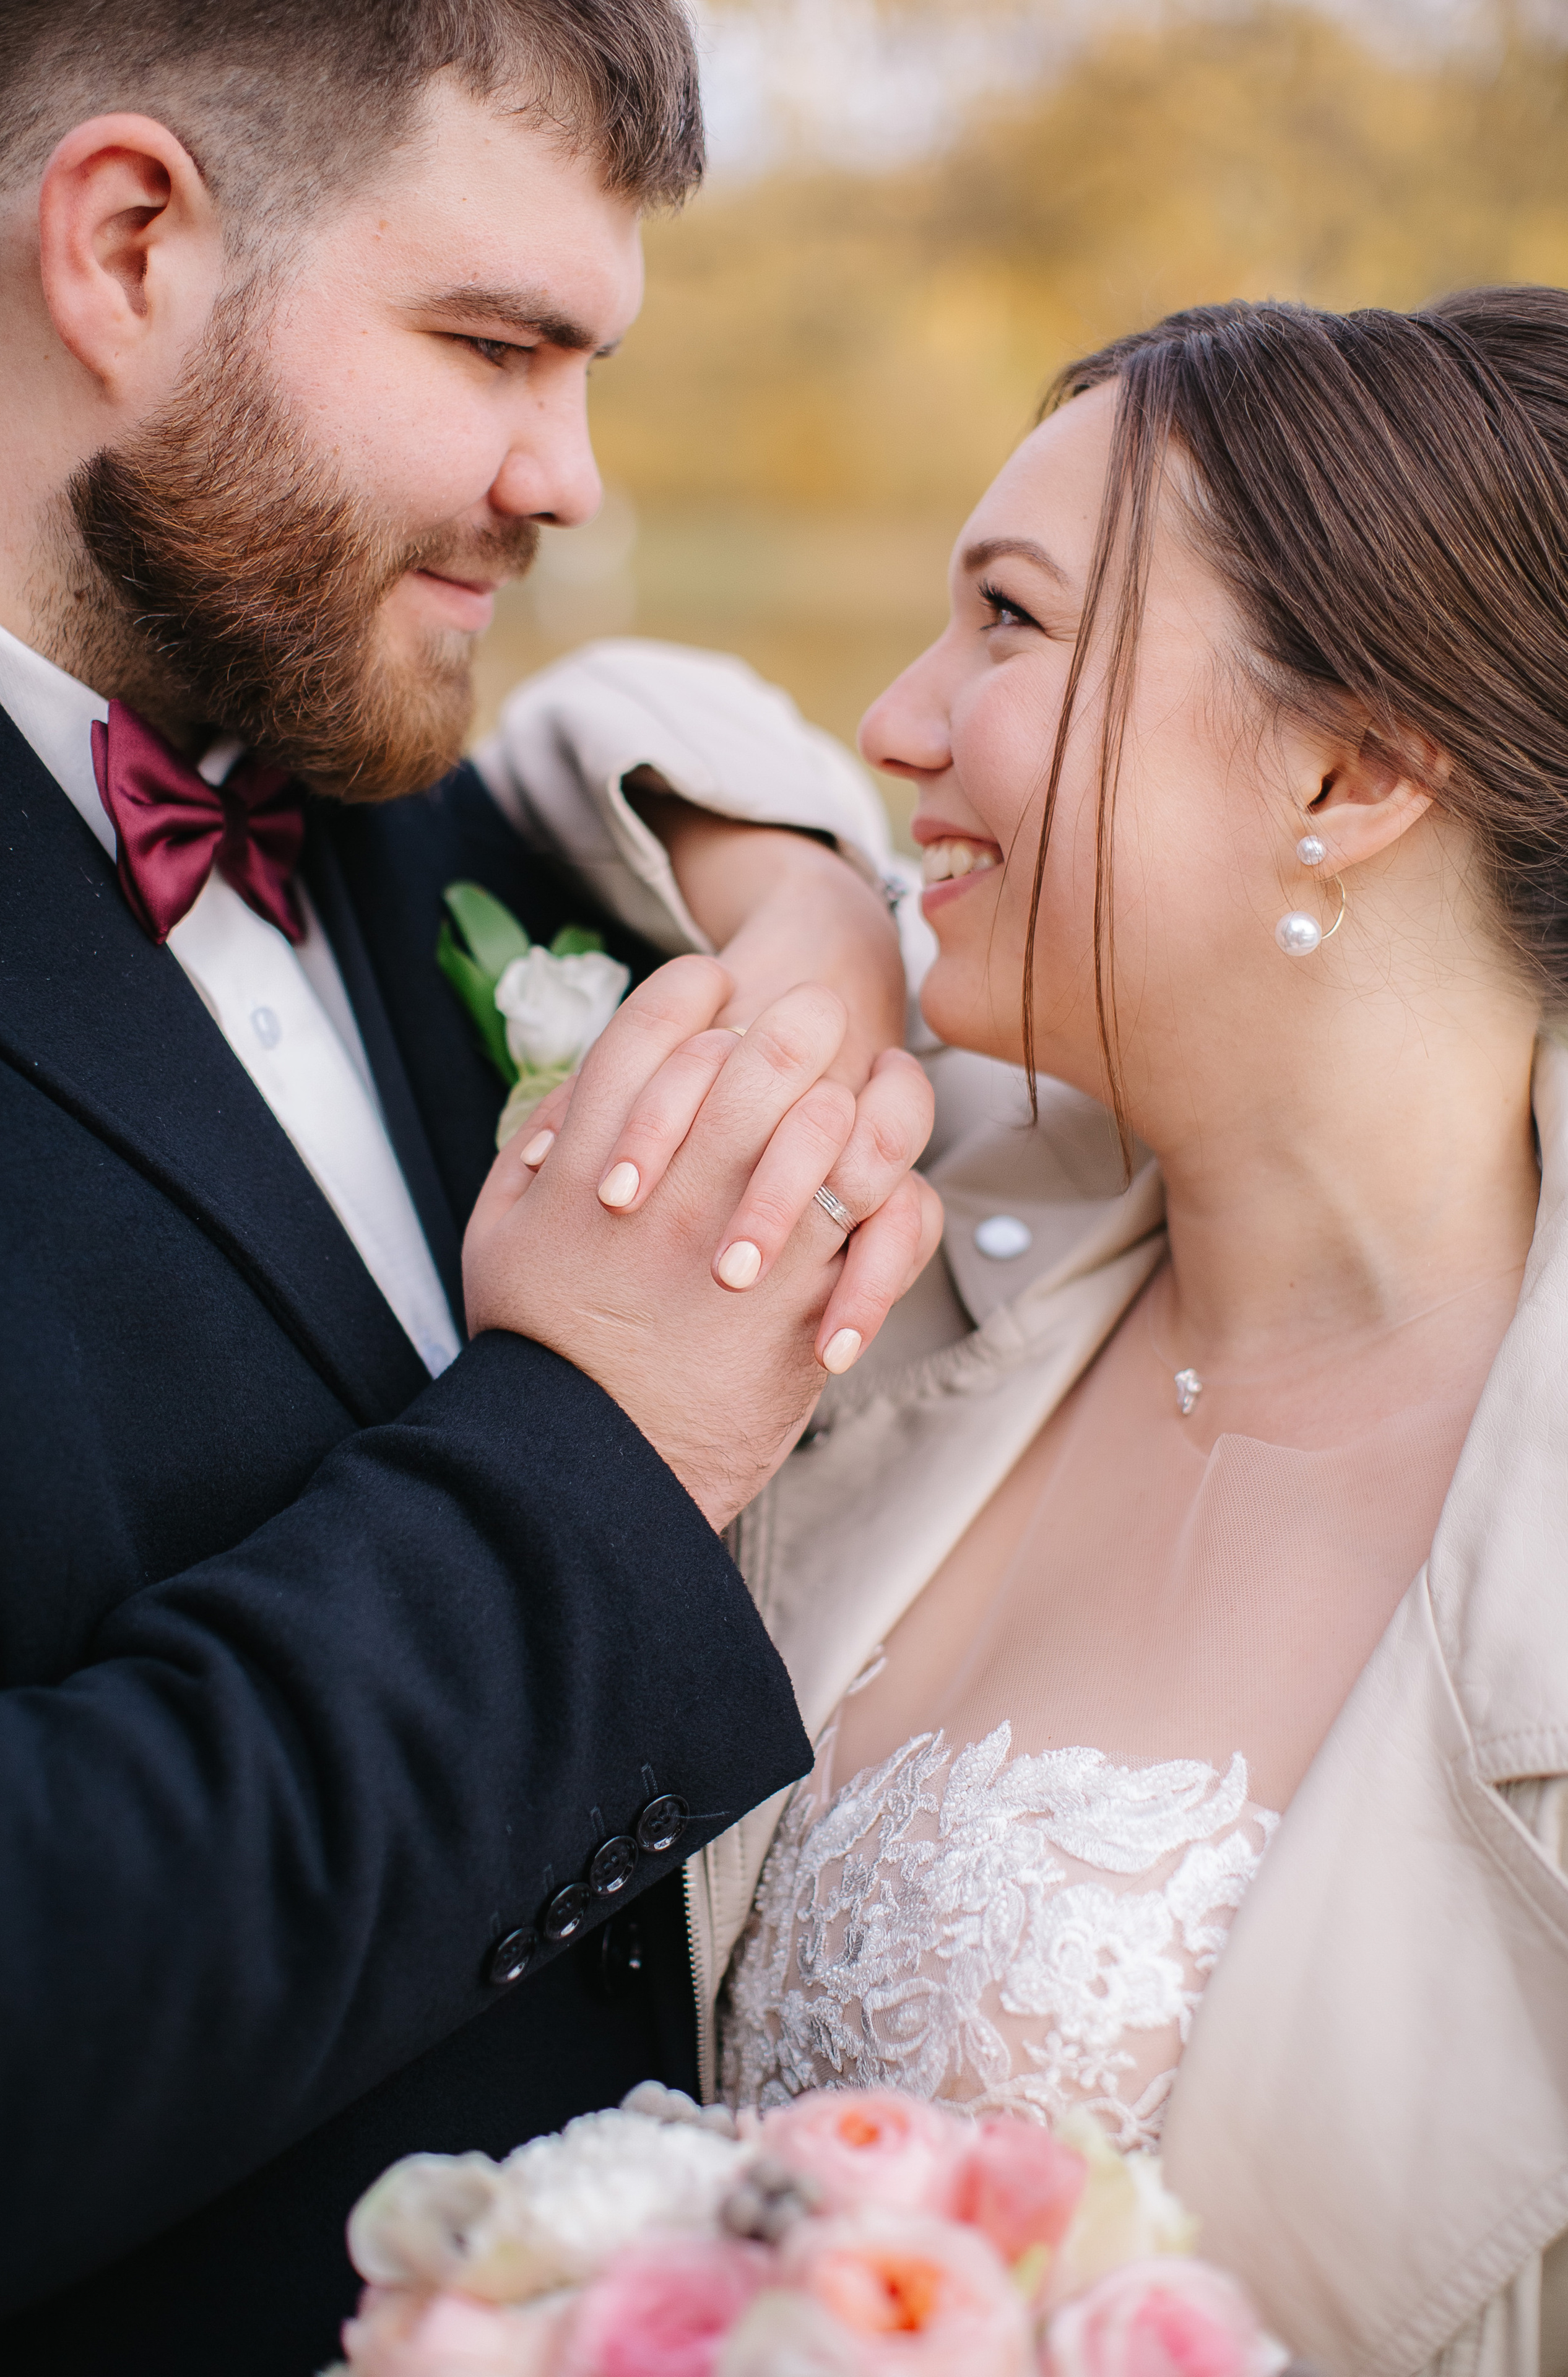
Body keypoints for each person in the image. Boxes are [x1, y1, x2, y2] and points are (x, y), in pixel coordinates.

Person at [0, 5, 942, 2371]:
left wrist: (800, 874)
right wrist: (604, 1449)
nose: (571, 480)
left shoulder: (412, 803)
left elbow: (613, 740)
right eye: (496, 346)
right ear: (125, 249)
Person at [522, 288, 1568, 2376]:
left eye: (1008, 621)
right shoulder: (966, 1217)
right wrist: (810, 904)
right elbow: (588, 718)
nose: (899, 723)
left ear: (1352, 769)